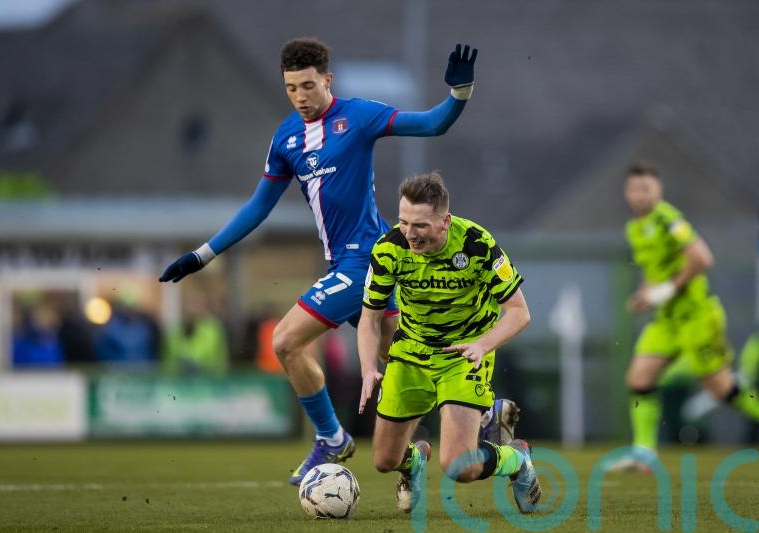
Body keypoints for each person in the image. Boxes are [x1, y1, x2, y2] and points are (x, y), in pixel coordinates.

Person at [159, 38, 496, 485]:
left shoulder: (358, 117)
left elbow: (434, 124)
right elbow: (259, 206)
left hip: (366, 262)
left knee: (284, 341)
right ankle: (470, 425)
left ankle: (331, 439)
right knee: (409, 365)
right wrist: (204, 254)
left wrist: (459, 94)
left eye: (308, 86)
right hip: (347, 267)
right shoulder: (286, 137)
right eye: (291, 88)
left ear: (328, 80)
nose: (300, 96)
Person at [358, 172, 541, 513]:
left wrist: (483, 345)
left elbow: (519, 312)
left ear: (445, 222)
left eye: (420, 226)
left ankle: (516, 459)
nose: (410, 234)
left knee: (460, 467)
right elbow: (370, 316)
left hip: (464, 353)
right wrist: (369, 368)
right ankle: (414, 462)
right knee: (384, 460)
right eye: (403, 222)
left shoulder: (477, 244)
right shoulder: (388, 248)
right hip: (411, 352)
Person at [607, 162, 759, 472]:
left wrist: (668, 289)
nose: (639, 195)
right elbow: (655, 271)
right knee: (638, 379)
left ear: (658, 191)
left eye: (645, 189)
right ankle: (644, 454)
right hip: (666, 321)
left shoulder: (668, 219)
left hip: (697, 316)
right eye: (634, 189)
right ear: (626, 193)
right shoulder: (634, 228)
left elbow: (702, 258)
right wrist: (645, 295)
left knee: (722, 388)